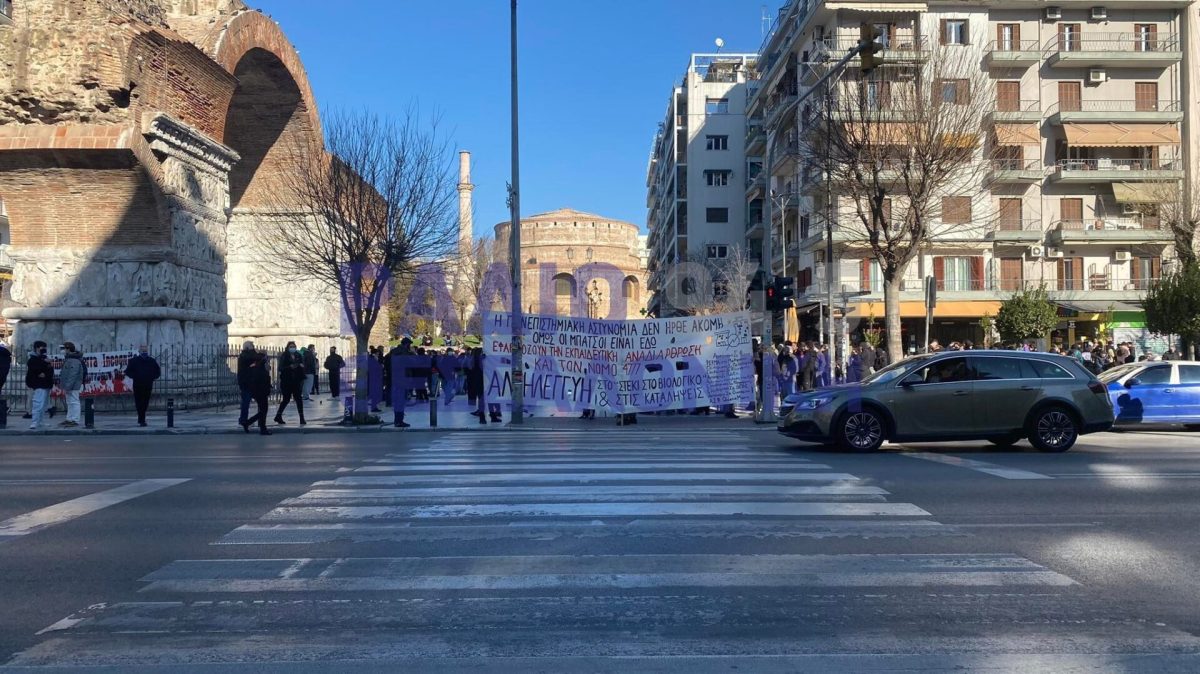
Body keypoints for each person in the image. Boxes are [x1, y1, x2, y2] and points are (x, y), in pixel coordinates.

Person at [124, 345, 161, 427]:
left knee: (145, 402)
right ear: (139, 351)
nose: (144, 353)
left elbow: (157, 372)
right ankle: (141, 419)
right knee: (138, 402)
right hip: (138, 384)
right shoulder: (134, 361)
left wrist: (152, 377)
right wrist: (135, 376)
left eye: (145, 351)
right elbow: (128, 371)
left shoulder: (151, 361)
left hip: (148, 384)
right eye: (143, 351)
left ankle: (142, 418)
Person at [274, 341, 306, 426]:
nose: (293, 348)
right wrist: (289, 367)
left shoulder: (298, 355)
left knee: (299, 399)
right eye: (291, 346)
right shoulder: (284, 356)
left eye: (294, 346)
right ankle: (278, 415)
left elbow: (302, 365)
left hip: (296, 381)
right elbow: (280, 368)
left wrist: (301, 366)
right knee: (286, 399)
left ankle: (302, 418)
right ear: (288, 347)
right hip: (287, 381)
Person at [242, 350, 273, 435]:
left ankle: (257, 426)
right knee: (263, 410)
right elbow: (258, 381)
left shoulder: (260, 367)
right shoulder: (256, 368)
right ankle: (253, 425)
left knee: (263, 410)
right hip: (260, 392)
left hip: (261, 392)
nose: (267, 359)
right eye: (265, 358)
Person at [25, 341, 53, 430]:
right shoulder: (33, 359)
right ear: (37, 348)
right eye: (42, 347)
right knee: (38, 403)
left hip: (46, 383)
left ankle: (40, 422)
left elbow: (49, 370)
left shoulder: (46, 358)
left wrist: (47, 366)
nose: (44, 349)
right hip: (38, 384)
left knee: (44, 405)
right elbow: (36, 370)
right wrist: (43, 368)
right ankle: (34, 422)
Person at [59, 342, 86, 428]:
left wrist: (68, 386)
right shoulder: (69, 359)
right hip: (69, 385)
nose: (62, 351)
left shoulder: (74, 360)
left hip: (73, 385)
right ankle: (69, 418)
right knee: (70, 402)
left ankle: (75, 419)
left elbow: (73, 374)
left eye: (63, 349)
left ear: (68, 349)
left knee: (74, 401)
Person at [236, 340, 256, 429]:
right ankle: (243, 420)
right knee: (246, 402)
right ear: (248, 347)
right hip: (247, 383)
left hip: (250, 382)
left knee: (246, 402)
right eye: (252, 346)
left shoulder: (245, 356)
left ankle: (245, 420)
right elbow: (253, 357)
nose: (254, 347)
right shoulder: (245, 356)